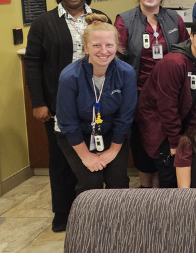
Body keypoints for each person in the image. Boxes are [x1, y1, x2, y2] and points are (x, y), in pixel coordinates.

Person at [24, 0, 108, 232]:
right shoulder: (44, 22)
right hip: (60, 102)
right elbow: (34, 64)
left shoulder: (99, 19)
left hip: (96, 100)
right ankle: (63, 213)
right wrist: (38, 102)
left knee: (93, 155)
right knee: (61, 159)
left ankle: (92, 212)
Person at [115, 0, 190, 189]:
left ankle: (163, 191)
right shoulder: (124, 20)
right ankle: (147, 192)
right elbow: (117, 59)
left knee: (167, 143)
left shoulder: (174, 19)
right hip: (139, 95)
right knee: (144, 144)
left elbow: (184, 51)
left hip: (171, 94)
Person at [55, 15, 136, 197]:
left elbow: (125, 117)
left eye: (109, 45)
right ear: (86, 48)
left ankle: (120, 224)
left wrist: (114, 150)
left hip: (111, 133)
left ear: (117, 46)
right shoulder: (69, 77)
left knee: (118, 181)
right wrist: (85, 156)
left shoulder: (126, 73)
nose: (103, 51)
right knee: (92, 183)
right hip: (77, 135)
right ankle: (89, 225)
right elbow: (68, 122)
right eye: (96, 45)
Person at [137, 16, 196, 188]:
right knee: (169, 171)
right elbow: (167, 106)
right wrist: (176, 141)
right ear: (191, 36)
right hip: (160, 123)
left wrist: (191, 134)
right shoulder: (174, 63)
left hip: (186, 121)